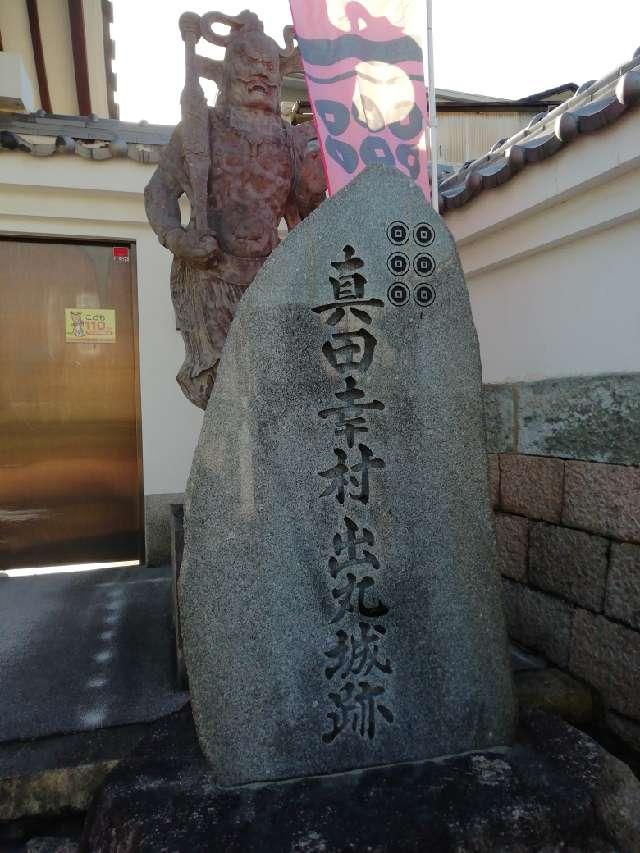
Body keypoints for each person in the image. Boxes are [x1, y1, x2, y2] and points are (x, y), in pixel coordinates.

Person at [145, 10, 326, 409]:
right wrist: (178, 238)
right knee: (223, 391)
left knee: (279, 385)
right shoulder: (201, 128)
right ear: (225, 71)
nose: (260, 73)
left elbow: (308, 213)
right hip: (212, 275)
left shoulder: (291, 140)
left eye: (268, 65)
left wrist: (314, 187)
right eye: (248, 62)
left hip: (270, 275)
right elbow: (159, 191)